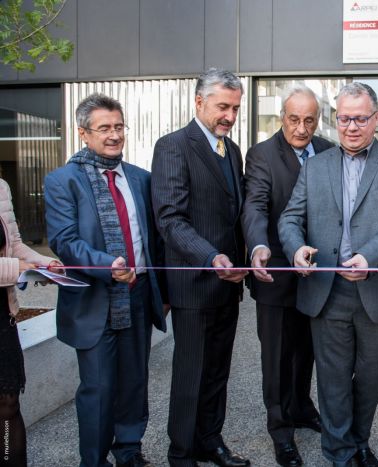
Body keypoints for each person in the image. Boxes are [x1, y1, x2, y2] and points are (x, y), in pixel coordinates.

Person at [278, 82, 378, 467]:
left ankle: (358, 442)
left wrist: (368, 256)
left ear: (376, 119)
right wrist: (295, 248)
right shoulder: (316, 166)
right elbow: (290, 217)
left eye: (360, 118)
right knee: (333, 379)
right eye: (344, 118)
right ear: (335, 119)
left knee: (371, 380)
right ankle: (340, 453)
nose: (351, 126)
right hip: (328, 289)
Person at [45, 93, 167, 467]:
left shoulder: (141, 179)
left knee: (134, 384)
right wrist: (105, 263)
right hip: (95, 299)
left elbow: (155, 238)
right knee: (99, 389)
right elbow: (64, 241)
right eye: (104, 129)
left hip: (138, 293)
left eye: (118, 126)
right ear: (84, 133)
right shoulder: (62, 181)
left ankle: (129, 451)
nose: (114, 135)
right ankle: (94, 461)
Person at [151, 69, 249, 467]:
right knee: (191, 374)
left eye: (235, 108)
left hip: (229, 284)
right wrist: (211, 258)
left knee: (217, 374)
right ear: (199, 103)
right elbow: (170, 219)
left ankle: (211, 441)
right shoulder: (173, 146)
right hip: (194, 283)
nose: (229, 115)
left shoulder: (233, 150)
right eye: (222, 106)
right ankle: (182, 453)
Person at [241, 84, 333, 467]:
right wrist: (257, 245)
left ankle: (301, 406)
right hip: (276, 273)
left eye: (309, 120)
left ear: (317, 119)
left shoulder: (329, 150)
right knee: (277, 357)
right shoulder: (262, 154)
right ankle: (280, 430)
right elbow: (256, 205)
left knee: (307, 350)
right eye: (294, 119)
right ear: (282, 117)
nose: (301, 128)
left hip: (317, 273)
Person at [0, 180, 61, 467]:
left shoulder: (0, 187)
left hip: (2, 317)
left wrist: (44, 263)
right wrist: (17, 269)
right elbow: (14, 264)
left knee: (8, 404)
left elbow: (14, 246)